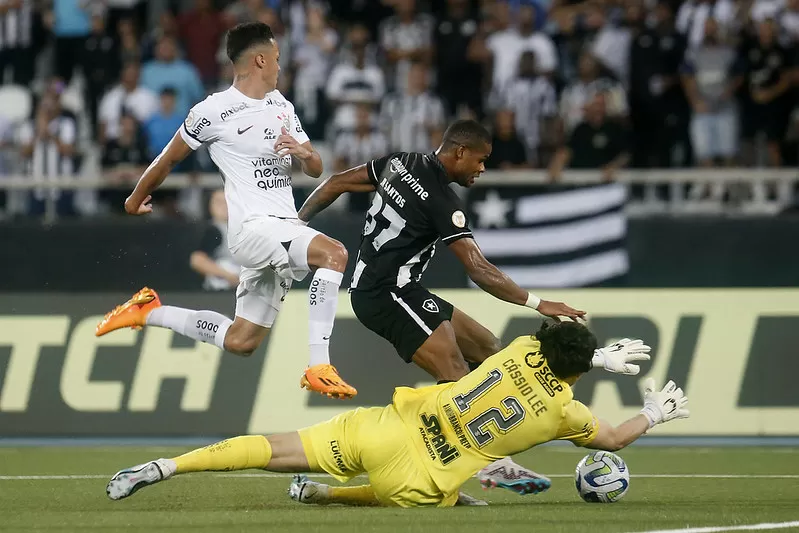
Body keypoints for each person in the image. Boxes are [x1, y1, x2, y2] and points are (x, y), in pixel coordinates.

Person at [296, 118, 645, 494]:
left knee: (489, 347)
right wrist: (538, 303)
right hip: (385, 293)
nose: (483, 168)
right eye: (480, 160)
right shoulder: (443, 201)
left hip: (402, 288)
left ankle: (478, 454)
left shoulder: (400, 162)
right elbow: (478, 269)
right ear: (459, 152)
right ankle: (491, 465)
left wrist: (294, 227)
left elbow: (334, 183)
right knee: (455, 373)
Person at [106, 321, 687, 508]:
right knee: (440, 497)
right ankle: (328, 497)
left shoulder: (519, 349)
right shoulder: (564, 412)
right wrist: (653, 415)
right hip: (417, 476)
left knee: (271, 448)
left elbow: (552, 345)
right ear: (578, 372)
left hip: (388, 427)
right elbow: (611, 437)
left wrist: (596, 353)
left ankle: (164, 467)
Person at [94, 22, 357, 400]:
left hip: (281, 230)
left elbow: (316, 167)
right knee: (334, 254)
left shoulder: (282, 106)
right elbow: (168, 159)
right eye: (278, 60)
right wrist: (135, 197)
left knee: (241, 340)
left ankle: (149, 311)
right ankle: (319, 364)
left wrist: (305, 154)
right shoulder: (214, 110)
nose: (281, 68)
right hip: (253, 229)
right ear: (260, 60)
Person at [190, 190, 240, 291]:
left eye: (226, 201)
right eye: (218, 202)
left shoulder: (241, 228)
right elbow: (197, 260)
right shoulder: (212, 230)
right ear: (210, 205)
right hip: (220, 289)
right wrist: (228, 275)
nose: (223, 206)